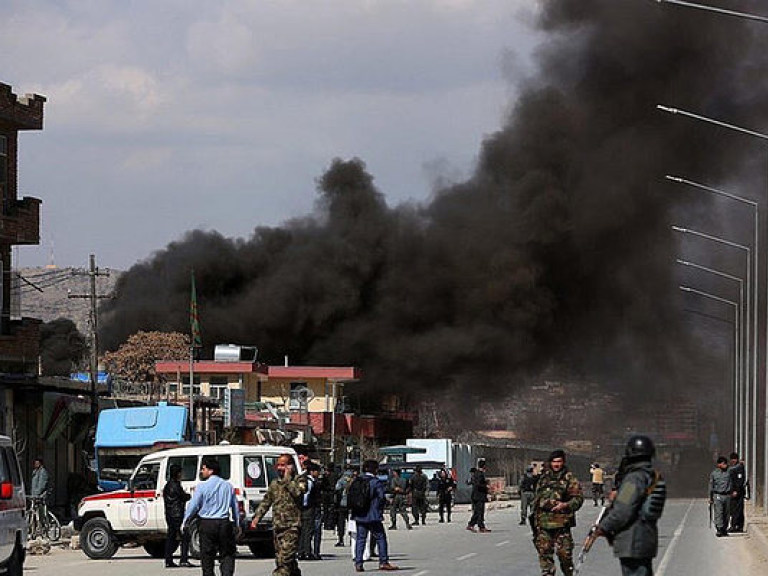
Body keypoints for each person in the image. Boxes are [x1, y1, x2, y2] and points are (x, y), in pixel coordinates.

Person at [594, 435, 666, 576]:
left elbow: (623, 510)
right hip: (646, 537)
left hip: (632, 539)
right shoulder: (653, 476)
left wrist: (603, 527)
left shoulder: (634, 478)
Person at [250, 453, 308, 576]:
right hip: (278, 527)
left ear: (290, 466)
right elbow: (266, 502)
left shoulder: (299, 480)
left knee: (284, 560)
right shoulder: (275, 484)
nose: (280, 468)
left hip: (291, 527)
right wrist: (256, 518)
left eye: (284, 465)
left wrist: (287, 478)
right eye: (279, 465)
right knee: (285, 561)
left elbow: (298, 492)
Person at [182, 457, 240, 576]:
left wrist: (185, 520)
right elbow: (235, 506)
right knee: (227, 554)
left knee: (207, 555)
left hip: (207, 524)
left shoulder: (202, 486)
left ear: (211, 470)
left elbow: (193, 505)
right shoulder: (228, 486)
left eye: (203, 469)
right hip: (224, 523)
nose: (201, 472)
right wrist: (237, 523)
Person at [532, 449, 583, 576]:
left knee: (564, 555)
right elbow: (537, 499)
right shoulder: (544, 478)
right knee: (545, 554)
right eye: (554, 462)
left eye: (559, 461)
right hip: (543, 524)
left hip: (562, 525)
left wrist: (565, 505)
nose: (556, 464)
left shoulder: (569, 479)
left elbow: (578, 499)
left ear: (563, 462)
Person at [353, 459, 399, 572]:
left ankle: (358, 563)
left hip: (359, 514)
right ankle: (383, 562)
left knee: (360, 539)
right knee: (380, 537)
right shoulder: (375, 482)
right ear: (375, 469)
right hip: (372, 515)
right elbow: (381, 497)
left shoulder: (357, 480)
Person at [163, 464, 194, 568]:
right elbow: (183, 497)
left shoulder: (168, 485)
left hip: (169, 514)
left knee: (171, 537)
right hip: (177, 514)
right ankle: (184, 559)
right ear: (178, 473)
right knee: (185, 536)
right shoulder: (175, 485)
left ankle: (168, 559)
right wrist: (189, 495)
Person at [298, 463, 322, 560]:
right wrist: (307, 505)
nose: (318, 473)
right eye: (317, 471)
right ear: (312, 472)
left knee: (303, 531)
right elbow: (306, 496)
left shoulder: (303, 480)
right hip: (309, 509)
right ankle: (307, 552)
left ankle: (301, 551)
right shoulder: (309, 482)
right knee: (307, 531)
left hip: (303, 509)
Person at [709, 456, 732, 537]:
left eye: (725, 464)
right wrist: (710, 498)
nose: (724, 465)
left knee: (727, 513)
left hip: (728, 495)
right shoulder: (714, 473)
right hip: (718, 495)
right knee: (719, 513)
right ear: (718, 464)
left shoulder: (730, 472)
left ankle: (724, 529)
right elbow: (711, 486)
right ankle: (719, 529)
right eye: (722, 464)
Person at [467, 460, 490, 533]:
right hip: (479, 495)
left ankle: (473, 525)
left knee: (477, 512)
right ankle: (478, 526)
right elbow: (478, 484)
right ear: (484, 466)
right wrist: (486, 486)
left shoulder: (476, 474)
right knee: (479, 512)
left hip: (476, 495)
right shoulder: (479, 474)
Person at [334, 467, 355, 546]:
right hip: (352, 505)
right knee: (351, 522)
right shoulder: (354, 481)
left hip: (342, 504)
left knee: (341, 523)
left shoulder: (341, 480)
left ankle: (341, 539)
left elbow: (337, 489)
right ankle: (352, 539)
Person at [727, 452, 746, 533]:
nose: (732, 461)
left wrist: (736, 491)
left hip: (738, 493)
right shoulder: (735, 467)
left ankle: (735, 526)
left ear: (736, 459)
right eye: (732, 459)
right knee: (736, 509)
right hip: (734, 492)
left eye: (734, 459)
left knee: (737, 510)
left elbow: (740, 480)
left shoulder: (739, 468)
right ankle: (737, 526)